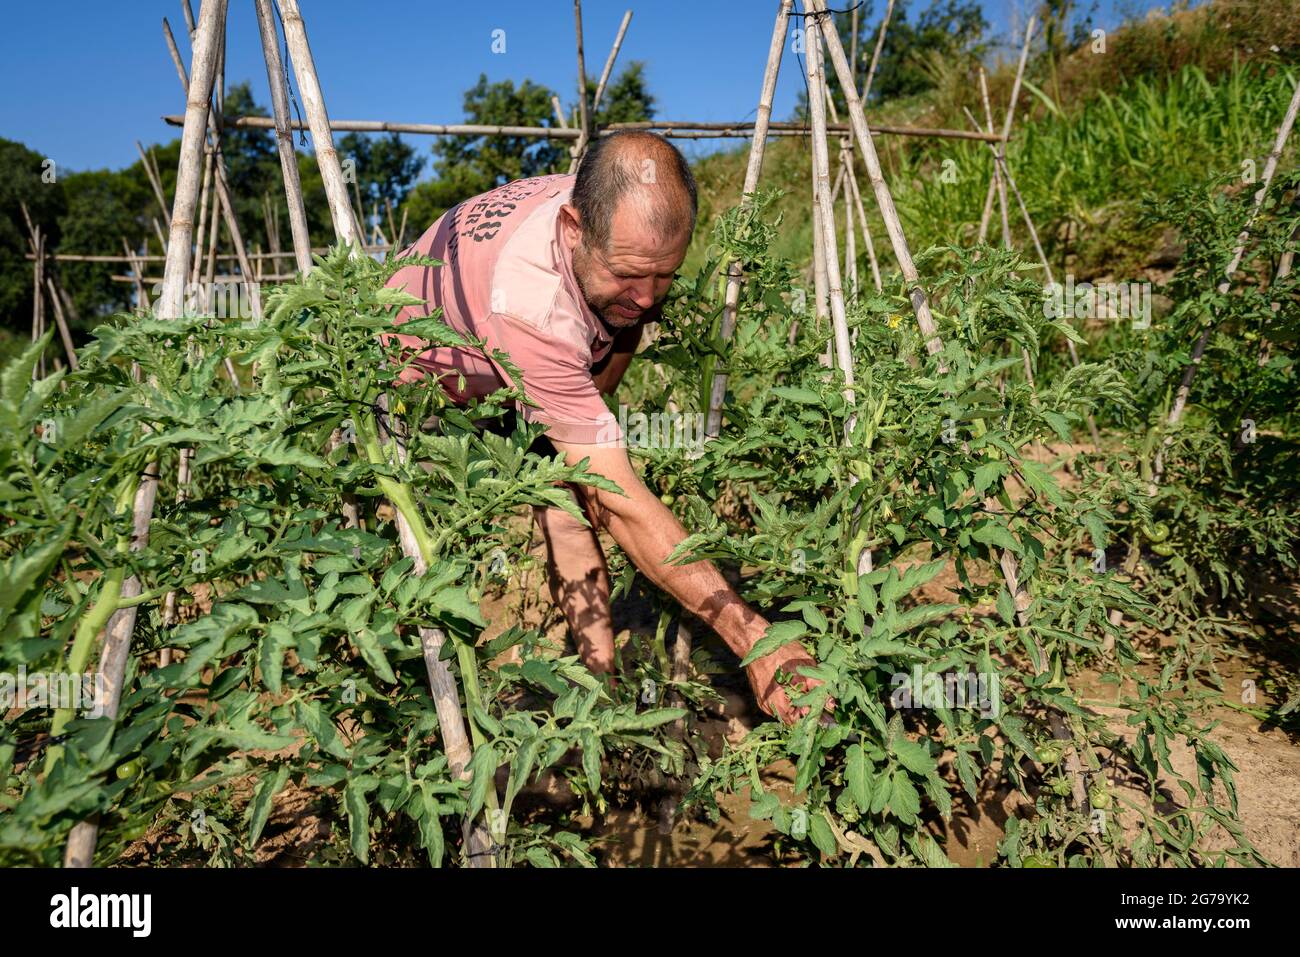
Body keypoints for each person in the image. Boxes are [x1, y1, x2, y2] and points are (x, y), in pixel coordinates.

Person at [383, 131, 823, 724]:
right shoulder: (533, 304)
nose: (646, 298)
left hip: (501, 348)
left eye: (665, 276)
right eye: (629, 275)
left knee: (567, 496)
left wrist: (585, 434)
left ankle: (597, 693)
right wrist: (754, 639)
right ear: (573, 228)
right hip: (411, 382)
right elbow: (616, 500)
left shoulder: (612, 221)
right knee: (418, 562)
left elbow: (623, 325)